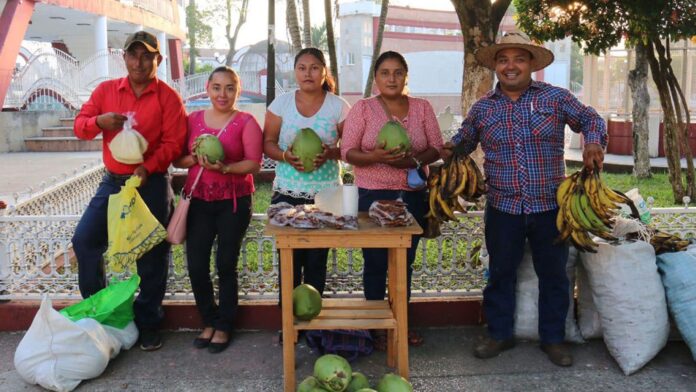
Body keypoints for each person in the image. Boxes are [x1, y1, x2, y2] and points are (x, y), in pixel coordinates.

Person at [444, 32, 606, 367]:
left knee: (554, 276)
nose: (510, 66)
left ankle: (554, 339)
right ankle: (499, 334)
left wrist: (593, 142)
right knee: (501, 273)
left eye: (519, 58)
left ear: (531, 64)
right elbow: (462, 140)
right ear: (496, 67)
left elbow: (591, 119)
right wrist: (443, 149)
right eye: (503, 60)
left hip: (551, 206)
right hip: (503, 207)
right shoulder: (484, 107)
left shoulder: (555, 98)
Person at [72, 31, 187, 351]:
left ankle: (148, 321)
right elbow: (79, 125)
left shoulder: (168, 97)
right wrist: (99, 121)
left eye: (147, 55)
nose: (139, 61)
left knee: (152, 254)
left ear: (158, 60)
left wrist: (148, 167)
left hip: (150, 182)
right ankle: (101, 313)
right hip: (114, 182)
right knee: (85, 240)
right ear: (123, 58)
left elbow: (174, 143)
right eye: (133, 55)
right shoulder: (106, 91)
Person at [341, 51, 444, 348]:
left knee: (403, 262)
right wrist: (375, 156)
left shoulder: (422, 107)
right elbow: (348, 151)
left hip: (412, 195)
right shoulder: (363, 109)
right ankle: (374, 327)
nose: (391, 78)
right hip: (372, 194)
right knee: (374, 262)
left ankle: (400, 322)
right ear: (376, 78)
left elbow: (436, 147)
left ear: (406, 76)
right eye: (385, 72)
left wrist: (412, 161)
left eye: (398, 72)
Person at [173, 66, 263, 354]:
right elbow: (179, 158)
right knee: (197, 264)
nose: (222, 94)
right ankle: (208, 320)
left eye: (229, 88)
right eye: (217, 87)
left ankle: (225, 324)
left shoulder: (247, 121)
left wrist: (225, 168)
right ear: (208, 89)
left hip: (233, 202)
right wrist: (196, 158)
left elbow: (253, 163)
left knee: (225, 263)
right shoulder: (193, 120)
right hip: (198, 200)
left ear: (237, 91)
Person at [263, 47, 350, 296]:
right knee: (288, 259)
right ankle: (287, 324)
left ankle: (313, 323)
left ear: (324, 72)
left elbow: (352, 146)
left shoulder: (338, 106)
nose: (307, 73)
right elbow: (267, 142)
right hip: (286, 191)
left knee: (316, 261)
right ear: (295, 72)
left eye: (314, 68)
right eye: (302, 68)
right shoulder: (281, 103)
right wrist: (284, 156)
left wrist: (331, 153)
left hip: (326, 194)